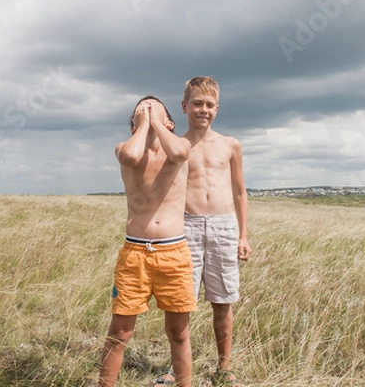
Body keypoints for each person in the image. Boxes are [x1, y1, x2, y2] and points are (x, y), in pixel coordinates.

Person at [98, 96, 197, 387]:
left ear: (169, 123)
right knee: (120, 332)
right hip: (135, 254)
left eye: (156, 111)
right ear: (133, 126)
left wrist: (154, 121)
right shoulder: (126, 150)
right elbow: (129, 155)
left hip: (173, 254)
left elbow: (178, 152)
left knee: (178, 332)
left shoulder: (180, 148)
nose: (149, 113)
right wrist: (144, 124)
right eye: (141, 112)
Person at [182, 76, 252, 385]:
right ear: (185, 106)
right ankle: (179, 366)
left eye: (209, 105)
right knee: (180, 302)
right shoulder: (178, 147)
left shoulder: (230, 145)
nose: (203, 109)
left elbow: (239, 191)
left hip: (224, 225)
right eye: (197, 103)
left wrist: (243, 235)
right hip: (187, 227)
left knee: (223, 301)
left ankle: (224, 366)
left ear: (217, 109)